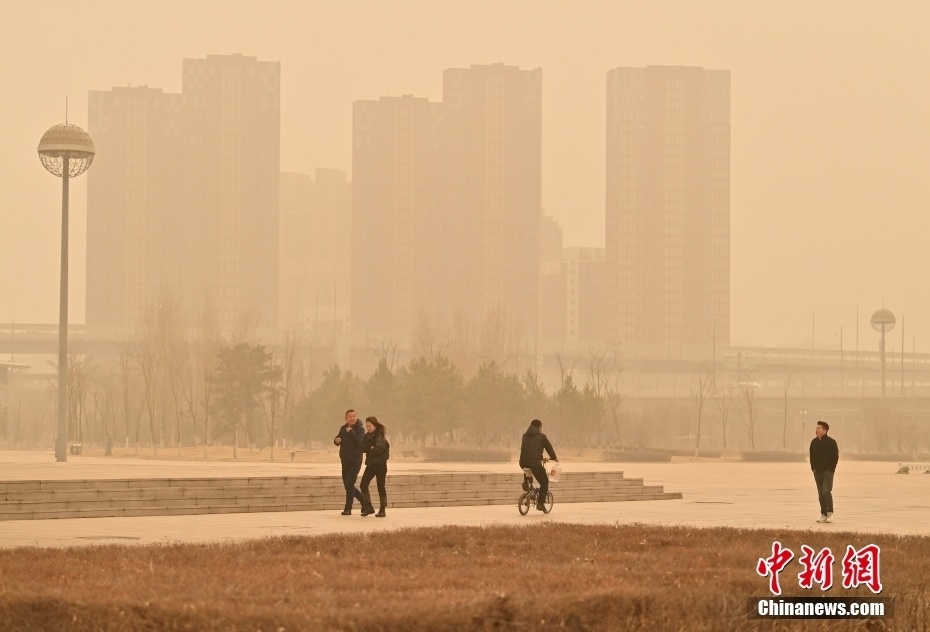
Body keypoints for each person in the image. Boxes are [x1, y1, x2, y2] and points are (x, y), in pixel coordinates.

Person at [519, 419, 558, 511]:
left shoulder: (524, 436)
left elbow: (529, 450)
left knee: (528, 469)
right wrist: (554, 457)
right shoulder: (542, 437)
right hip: (535, 464)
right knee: (544, 482)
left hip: (523, 462)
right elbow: (549, 448)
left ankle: (527, 483)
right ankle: (540, 503)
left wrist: (540, 458)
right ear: (539, 427)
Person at [333, 409, 365, 515]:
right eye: (350, 416)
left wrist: (351, 432)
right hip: (345, 461)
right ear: (346, 418)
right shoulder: (343, 428)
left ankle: (348, 508)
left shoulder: (360, 429)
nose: (352, 418)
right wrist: (337, 440)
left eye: (354, 416)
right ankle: (365, 502)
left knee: (349, 484)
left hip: (355, 461)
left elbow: (360, 442)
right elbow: (338, 438)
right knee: (347, 485)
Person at [359, 416, 390, 517]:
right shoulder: (366, 436)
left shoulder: (379, 436)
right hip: (371, 465)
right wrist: (370, 448)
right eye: (367, 426)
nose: (368, 428)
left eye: (370, 426)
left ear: (375, 426)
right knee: (363, 484)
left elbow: (379, 448)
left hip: (380, 465)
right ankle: (368, 507)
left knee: (381, 486)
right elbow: (361, 446)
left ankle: (382, 509)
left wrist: (370, 449)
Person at [809, 420, 839, 523]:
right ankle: (823, 514)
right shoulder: (814, 442)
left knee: (826, 492)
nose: (816, 430)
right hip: (817, 472)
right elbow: (812, 456)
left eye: (819, 428)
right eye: (816, 428)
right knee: (820, 494)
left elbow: (835, 457)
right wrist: (813, 468)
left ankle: (830, 513)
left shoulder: (831, 442)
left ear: (825, 430)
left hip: (828, 472)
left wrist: (831, 469)